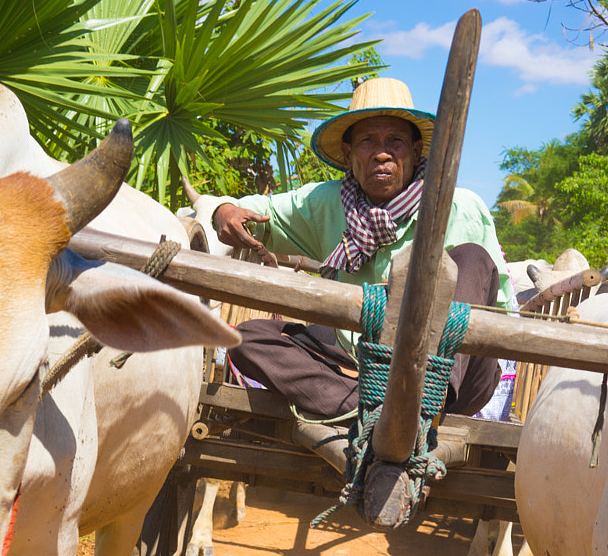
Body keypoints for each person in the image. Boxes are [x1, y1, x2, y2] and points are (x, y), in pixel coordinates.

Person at [210, 78, 508, 423]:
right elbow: (253, 212)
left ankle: (421, 402)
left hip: (453, 383)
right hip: (352, 374)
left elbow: (498, 312)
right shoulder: (326, 202)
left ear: (415, 151)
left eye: (395, 141)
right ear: (350, 155)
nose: (382, 152)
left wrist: (432, 362)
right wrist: (224, 212)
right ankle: (371, 412)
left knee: (470, 259)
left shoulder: (460, 206)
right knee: (242, 338)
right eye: (368, 140)